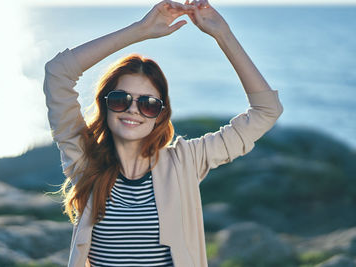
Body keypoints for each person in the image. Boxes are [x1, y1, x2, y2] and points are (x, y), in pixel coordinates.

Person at [43, 0, 283, 266]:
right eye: (122, 99)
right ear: (105, 104)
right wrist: (139, 30)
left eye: (148, 104)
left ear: (160, 115)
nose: (133, 110)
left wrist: (222, 34)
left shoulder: (186, 161)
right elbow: (57, 74)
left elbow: (266, 110)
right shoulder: (84, 159)